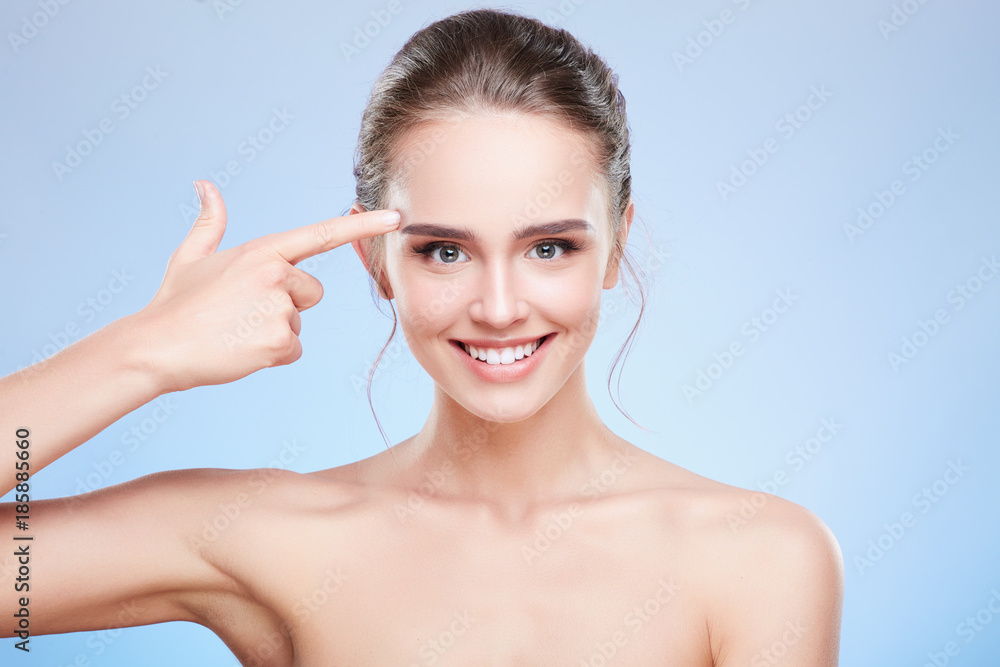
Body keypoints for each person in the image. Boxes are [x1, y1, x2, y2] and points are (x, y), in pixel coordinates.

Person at [1, 7, 843, 665]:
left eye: (550, 246)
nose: (501, 305)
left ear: (616, 246)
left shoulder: (761, 558)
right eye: (446, 250)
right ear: (375, 260)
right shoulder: (264, 533)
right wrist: (142, 351)